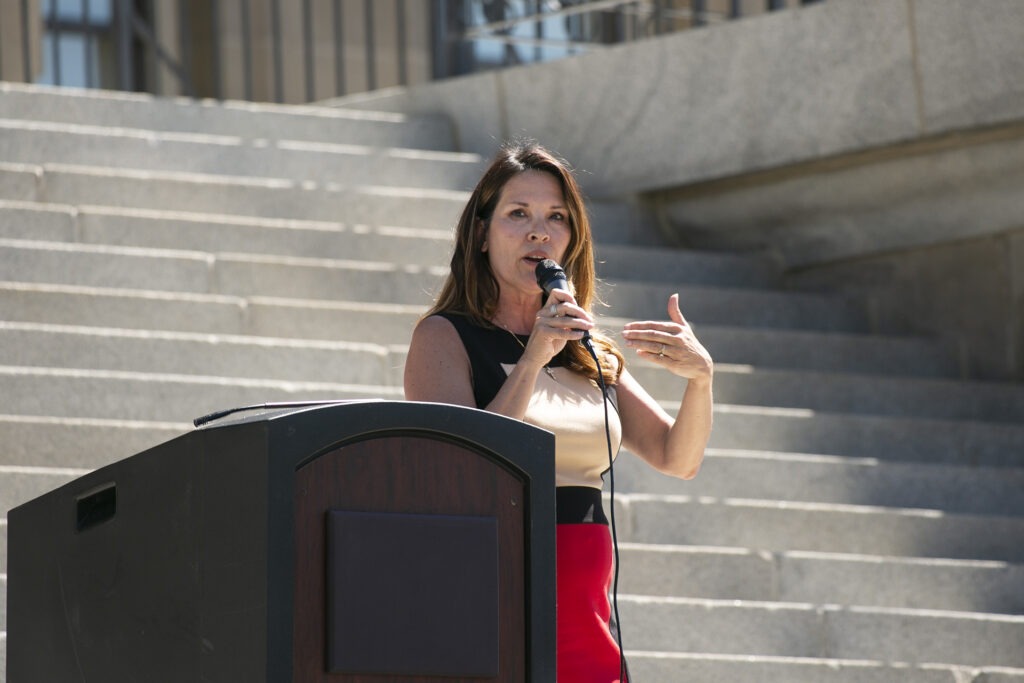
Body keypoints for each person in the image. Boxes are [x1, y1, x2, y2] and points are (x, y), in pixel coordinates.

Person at [404, 140, 714, 683]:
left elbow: (676, 458)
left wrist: (700, 380)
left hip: (585, 602)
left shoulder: (590, 349)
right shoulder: (444, 337)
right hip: (494, 585)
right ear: (481, 234)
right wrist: (532, 359)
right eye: (517, 214)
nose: (539, 232)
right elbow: (462, 465)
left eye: (556, 218)